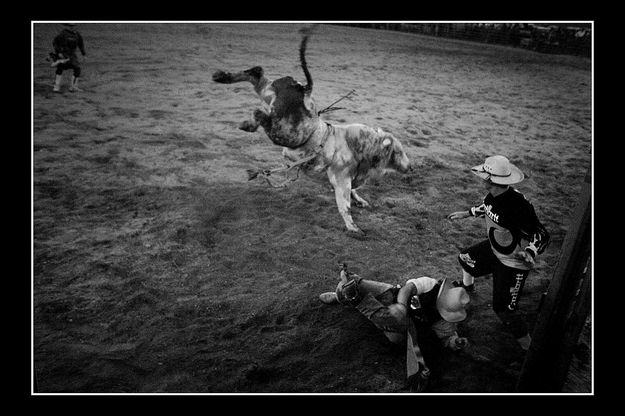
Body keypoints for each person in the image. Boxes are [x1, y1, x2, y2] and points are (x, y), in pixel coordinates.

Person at [447, 155, 550, 352]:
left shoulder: (519, 206)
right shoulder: (493, 195)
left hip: (513, 262)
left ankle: (530, 351)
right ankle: (468, 289)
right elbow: (486, 207)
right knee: (465, 258)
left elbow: (541, 234)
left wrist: (530, 251)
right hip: (495, 248)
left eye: (485, 175)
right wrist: (467, 213)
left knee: (504, 310)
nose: (482, 178)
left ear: (492, 180)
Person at [319, 264, 470, 391]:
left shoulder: (447, 323)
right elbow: (406, 289)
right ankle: (341, 295)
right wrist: (401, 306)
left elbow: (443, 338)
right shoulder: (431, 284)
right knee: (362, 286)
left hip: (405, 329)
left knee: (396, 321)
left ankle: (356, 301)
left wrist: (453, 342)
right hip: (396, 297)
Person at [52, 23, 86, 93]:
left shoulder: (77, 35)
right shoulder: (63, 34)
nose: (72, 27)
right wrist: (58, 52)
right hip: (63, 54)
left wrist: (84, 54)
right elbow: (55, 42)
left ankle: (73, 87)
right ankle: (57, 86)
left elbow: (81, 44)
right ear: (68, 26)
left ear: (76, 26)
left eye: (73, 26)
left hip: (72, 55)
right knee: (60, 68)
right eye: (70, 26)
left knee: (77, 68)